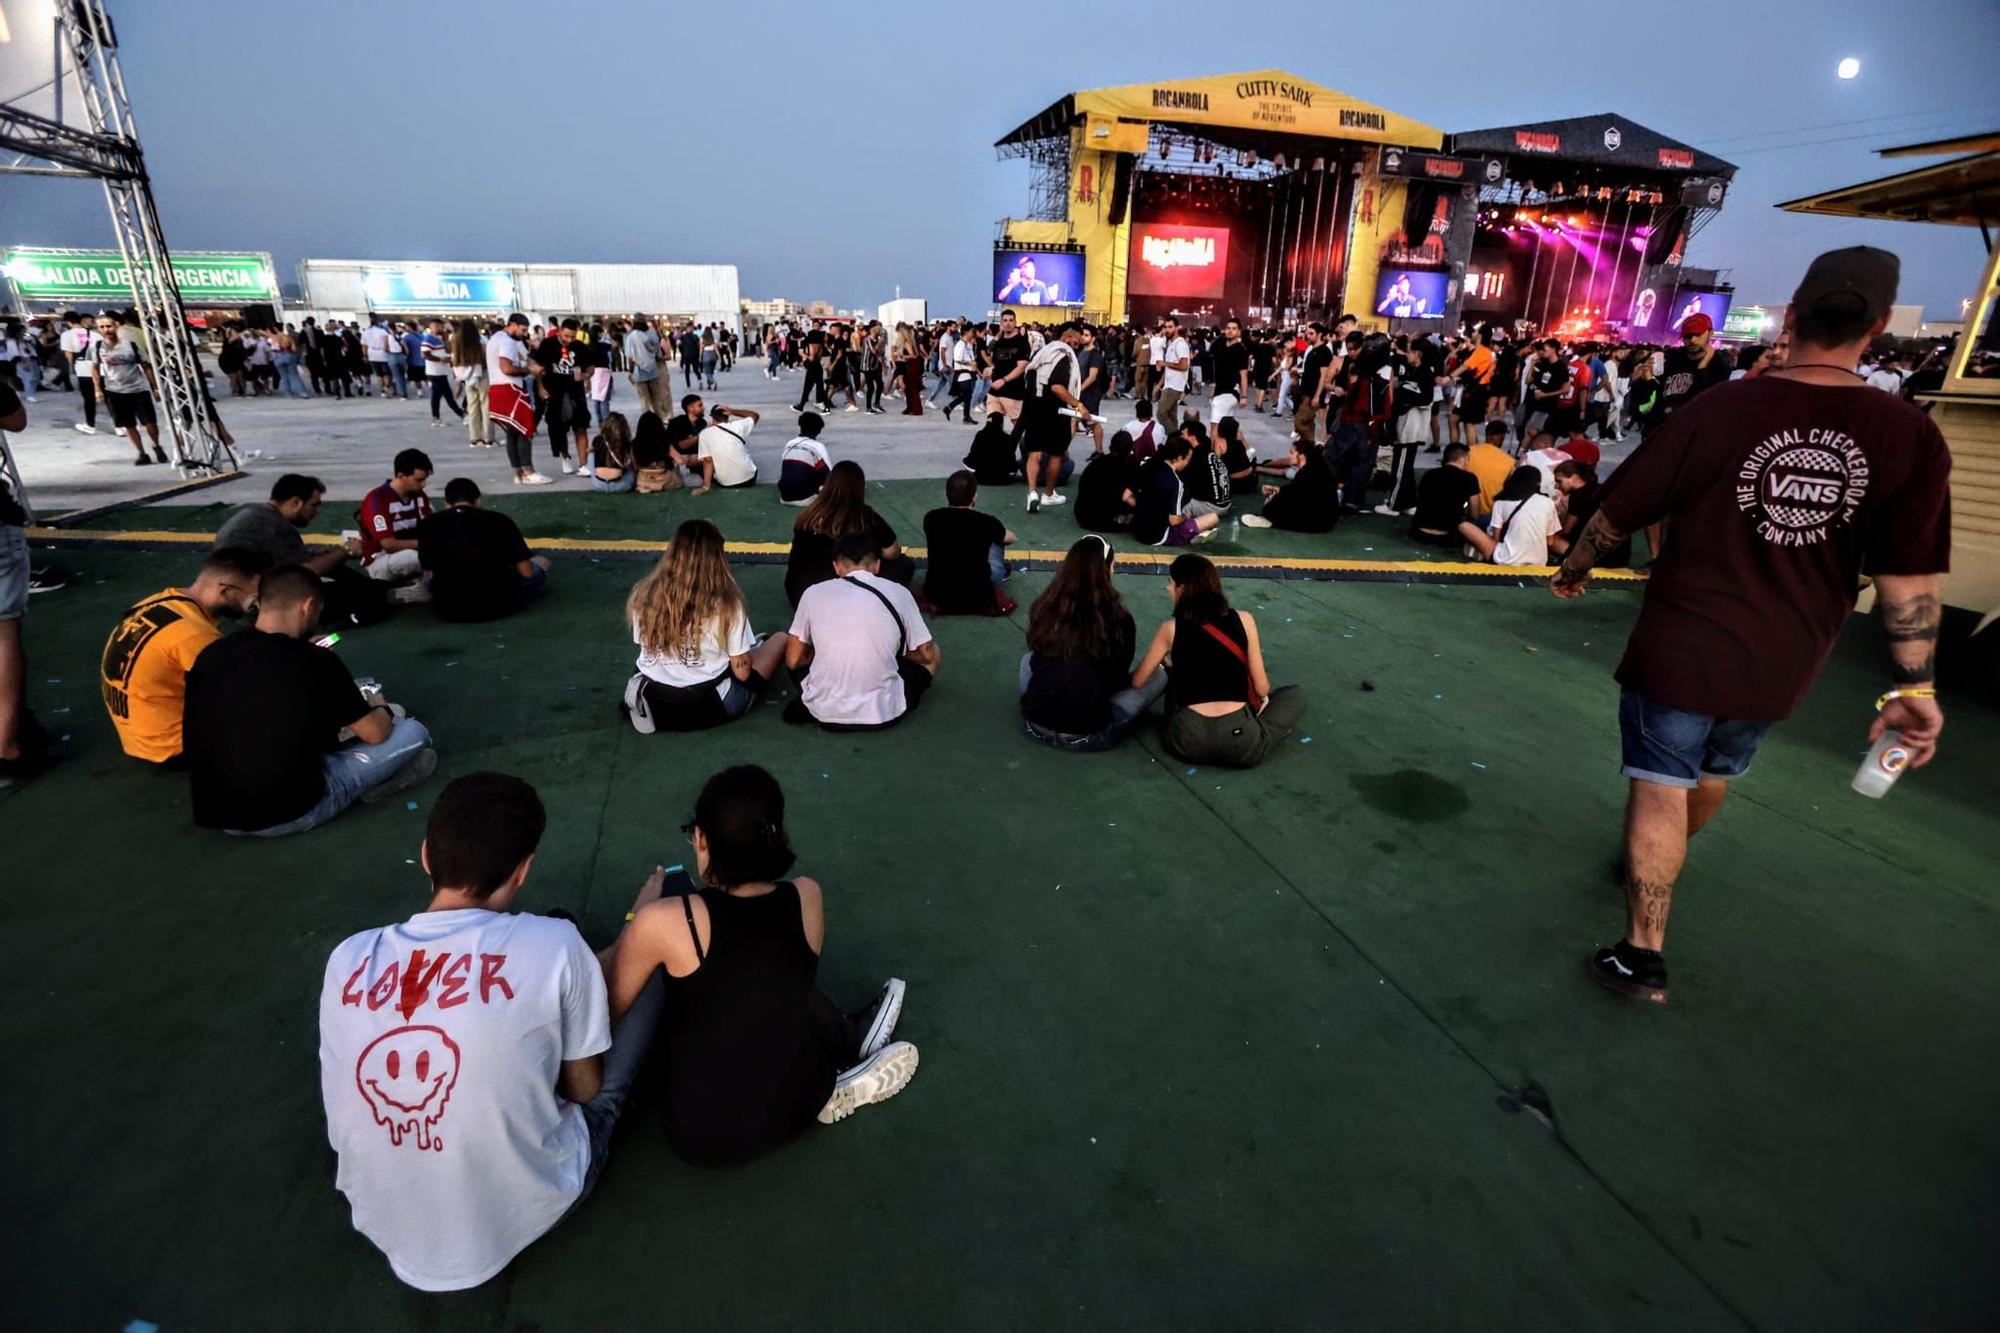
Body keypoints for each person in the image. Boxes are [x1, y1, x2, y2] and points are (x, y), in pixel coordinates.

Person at [1551, 247, 1950, 1005]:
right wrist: (1916, 684)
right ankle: (1653, 871)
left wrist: (1574, 568)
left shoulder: (1722, 407)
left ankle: (1643, 952)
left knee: (1658, 785)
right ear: (1879, 326)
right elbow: (1909, 579)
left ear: (1792, 316)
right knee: (1710, 776)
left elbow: (1620, 509)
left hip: (1683, 639)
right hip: (1783, 658)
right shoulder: (1908, 436)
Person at [318, 772, 662, 1291]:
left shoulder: (347, 958)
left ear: (427, 857)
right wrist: (642, 922)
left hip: (383, 1219)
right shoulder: (554, 944)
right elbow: (584, 1089)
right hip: (531, 1206)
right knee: (643, 981)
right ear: (523, 870)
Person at [598, 764, 918, 1165]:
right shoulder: (807, 895)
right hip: (795, 1108)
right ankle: (840, 1057)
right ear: (776, 836)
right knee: (762, 975)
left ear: (701, 840)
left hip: (701, 1137)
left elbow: (606, 1013)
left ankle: (842, 1050)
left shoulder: (664, 921)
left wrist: (635, 920)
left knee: (662, 970)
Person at [184, 564, 436, 835]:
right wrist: (380, 708)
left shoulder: (212, 653)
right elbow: (376, 733)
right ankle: (376, 786)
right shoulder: (316, 660)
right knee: (411, 732)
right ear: (308, 606)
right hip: (291, 811)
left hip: (219, 813)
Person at [96, 546, 266, 766]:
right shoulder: (195, 635)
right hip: (173, 747)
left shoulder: (159, 602)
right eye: (253, 598)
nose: (257, 605)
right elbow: (248, 689)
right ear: (225, 591)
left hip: (138, 736)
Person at [1132, 553, 1305, 767]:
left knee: (1175, 678)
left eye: (1171, 583)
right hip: (1239, 741)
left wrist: (1167, 663)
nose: (1168, 589)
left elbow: (1138, 682)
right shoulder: (1244, 620)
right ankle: (1263, 734)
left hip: (1187, 741)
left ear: (1183, 589)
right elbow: (1261, 688)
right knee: (1295, 695)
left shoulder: (1170, 629)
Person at [622, 520, 792, 733]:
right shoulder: (729, 604)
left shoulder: (643, 594)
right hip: (711, 706)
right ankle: (762, 642)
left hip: (652, 706)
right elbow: (742, 673)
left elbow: (644, 647)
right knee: (779, 639)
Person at [1019, 537, 1166, 751]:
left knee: (1028, 660)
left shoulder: (1045, 606)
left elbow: (1036, 649)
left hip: (1035, 725)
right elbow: (1117, 680)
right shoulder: (1119, 619)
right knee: (1159, 675)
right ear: (1105, 570)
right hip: (1089, 734)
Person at [784, 531, 939, 730]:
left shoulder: (812, 593)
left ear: (837, 567)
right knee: (935, 656)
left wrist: (819, 653)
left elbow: (793, 660)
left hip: (823, 712)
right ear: (876, 565)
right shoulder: (900, 592)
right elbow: (926, 654)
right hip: (883, 714)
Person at [416, 479, 550, 622]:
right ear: (478, 500)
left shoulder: (428, 524)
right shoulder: (501, 520)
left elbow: (429, 574)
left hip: (447, 610)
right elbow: (526, 572)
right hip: (501, 606)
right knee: (540, 565)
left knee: (429, 581)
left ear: (447, 504)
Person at [783, 461, 911, 606]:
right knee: (902, 565)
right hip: (839, 596)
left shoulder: (808, 515)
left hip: (800, 593)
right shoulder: (864, 517)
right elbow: (891, 552)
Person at [921, 471, 1016, 616]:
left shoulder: (931, 518)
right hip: (979, 595)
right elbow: (1010, 538)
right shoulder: (986, 522)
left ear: (946, 494)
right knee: (997, 540)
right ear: (974, 496)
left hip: (938, 593)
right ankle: (1000, 572)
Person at [1021, 322, 1087, 513]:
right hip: (1055, 411)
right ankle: (1048, 494)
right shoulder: (1063, 355)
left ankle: (1032, 493)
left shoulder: (1040, 353)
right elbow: (1057, 387)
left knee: (1034, 453)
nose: (1075, 347)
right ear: (1068, 338)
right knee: (1056, 454)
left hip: (1033, 406)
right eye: (1075, 343)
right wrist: (1079, 405)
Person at [88, 312, 169, 465]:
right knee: (128, 424)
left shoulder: (130, 345)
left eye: (109, 326)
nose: (106, 330)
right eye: (102, 327)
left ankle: (156, 445)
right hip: (115, 390)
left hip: (138, 388)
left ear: (116, 326)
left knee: (149, 421)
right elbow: (95, 369)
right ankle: (141, 452)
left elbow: (146, 366)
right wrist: (97, 390)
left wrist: (155, 387)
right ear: (98, 329)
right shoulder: (97, 347)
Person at [357, 449, 435, 596]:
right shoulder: (377, 500)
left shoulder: (419, 496)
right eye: (419, 480)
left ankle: (417, 587)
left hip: (412, 550)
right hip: (380, 559)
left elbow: (431, 527)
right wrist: (428, 545)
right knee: (418, 557)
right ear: (401, 476)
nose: (424, 484)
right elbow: (388, 545)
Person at [486, 313, 549, 485]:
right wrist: (529, 370)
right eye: (522, 330)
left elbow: (514, 363)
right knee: (525, 429)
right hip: (509, 388)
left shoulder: (496, 338)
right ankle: (528, 471)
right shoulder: (507, 341)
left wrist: (526, 366)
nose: (523, 333)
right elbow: (506, 368)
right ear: (512, 325)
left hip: (497, 388)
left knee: (513, 433)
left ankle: (518, 472)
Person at [1131, 438, 1222, 548]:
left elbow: (1127, 496)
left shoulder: (1147, 464)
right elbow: (1174, 521)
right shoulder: (1175, 482)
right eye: (1188, 459)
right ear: (1179, 458)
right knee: (1213, 517)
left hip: (1138, 531)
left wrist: (1145, 509)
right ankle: (1191, 536)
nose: (1188, 463)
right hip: (1159, 537)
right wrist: (1185, 517)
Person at [1457, 466, 1558, 564]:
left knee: (1464, 526)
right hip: (1539, 562)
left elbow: (1495, 539)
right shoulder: (1548, 502)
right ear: (1538, 483)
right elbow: (1550, 542)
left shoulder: (1500, 503)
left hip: (1506, 560)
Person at [533, 319, 591, 476]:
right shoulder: (547, 345)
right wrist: (541, 388)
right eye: (566, 336)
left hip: (575, 392)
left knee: (581, 426)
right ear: (559, 331)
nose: (569, 340)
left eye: (572, 336)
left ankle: (583, 464)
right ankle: (565, 457)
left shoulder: (579, 347)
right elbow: (538, 368)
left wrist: (586, 375)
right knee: (560, 427)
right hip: (555, 391)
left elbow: (590, 367)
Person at [1240, 441, 1338, 532]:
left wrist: (1274, 497)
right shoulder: (1317, 466)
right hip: (1327, 519)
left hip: (1319, 522)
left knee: (1270, 508)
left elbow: (1294, 494)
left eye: (1292, 453)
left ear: (1301, 455)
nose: (1289, 456)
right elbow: (1298, 490)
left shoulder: (1308, 472)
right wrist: (1278, 490)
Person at [1407, 444, 1482, 545]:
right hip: (1448, 536)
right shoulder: (1470, 478)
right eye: (1468, 459)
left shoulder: (1429, 474)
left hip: (1419, 532)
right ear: (1462, 459)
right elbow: (1474, 514)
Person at [1073, 430, 1139, 532]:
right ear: (1130, 449)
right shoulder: (1129, 468)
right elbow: (1126, 497)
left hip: (1083, 516)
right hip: (1104, 520)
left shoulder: (1096, 463)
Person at [690, 406, 760, 494]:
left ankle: (709, 483)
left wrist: (705, 487)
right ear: (727, 416)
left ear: (712, 417)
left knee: (702, 459)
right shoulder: (737, 426)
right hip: (749, 479)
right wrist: (733, 411)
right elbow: (755, 415)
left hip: (725, 483)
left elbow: (708, 462)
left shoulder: (704, 434)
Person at [450, 319, 491, 449]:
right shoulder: (481, 340)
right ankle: (488, 438)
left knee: (472, 407)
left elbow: (454, 359)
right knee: (486, 406)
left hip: (467, 377)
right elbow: (485, 357)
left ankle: (474, 438)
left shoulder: (457, 341)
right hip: (482, 374)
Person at [777, 412, 831, 506]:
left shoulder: (789, 444)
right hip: (806, 499)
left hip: (784, 498)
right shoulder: (818, 446)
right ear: (819, 431)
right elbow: (829, 476)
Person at [624, 315, 670, 421]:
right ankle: (660, 419)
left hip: (639, 372)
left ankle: (648, 421)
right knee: (656, 398)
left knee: (644, 399)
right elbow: (658, 355)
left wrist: (630, 372)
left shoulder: (632, 336)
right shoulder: (652, 335)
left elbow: (630, 357)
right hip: (653, 371)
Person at [420, 319, 463, 426]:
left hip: (441, 371)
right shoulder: (428, 339)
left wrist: (445, 338)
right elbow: (425, 354)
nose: (440, 329)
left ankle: (435, 418)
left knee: (436, 395)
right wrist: (440, 359)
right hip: (434, 371)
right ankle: (461, 414)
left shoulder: (440, 339)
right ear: (432, 327)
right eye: (437, 327)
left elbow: (449, 350)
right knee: (447, 394)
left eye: (441, 327)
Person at [587, 411, 637, 493]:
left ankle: (598, 475)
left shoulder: (598, 439)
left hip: (598, 485)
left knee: (592, 454)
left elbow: (588, 450)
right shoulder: (625, 441)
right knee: (629, 459)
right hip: (621, 485)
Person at [1156, 317, 1192, 425]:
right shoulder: (1171, 344)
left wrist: (1164, 364)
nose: (1167, 330)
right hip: (1169, 384)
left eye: (1170, 327)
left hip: (1175, 386)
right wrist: (1159, 385)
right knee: (1171, 415)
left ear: (1176, 328)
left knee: (1161, 413)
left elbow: (1184, 365)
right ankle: (1175, 439)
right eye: (1165, 327)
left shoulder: (1180, 344)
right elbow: (1168, 369)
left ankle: (1172, 436)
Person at [1117, 396, 1164, 462]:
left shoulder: (1128, 426)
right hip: (1152, 463)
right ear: (1151, 413)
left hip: (1132, 462)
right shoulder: (1159, 428)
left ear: (1137, 413)